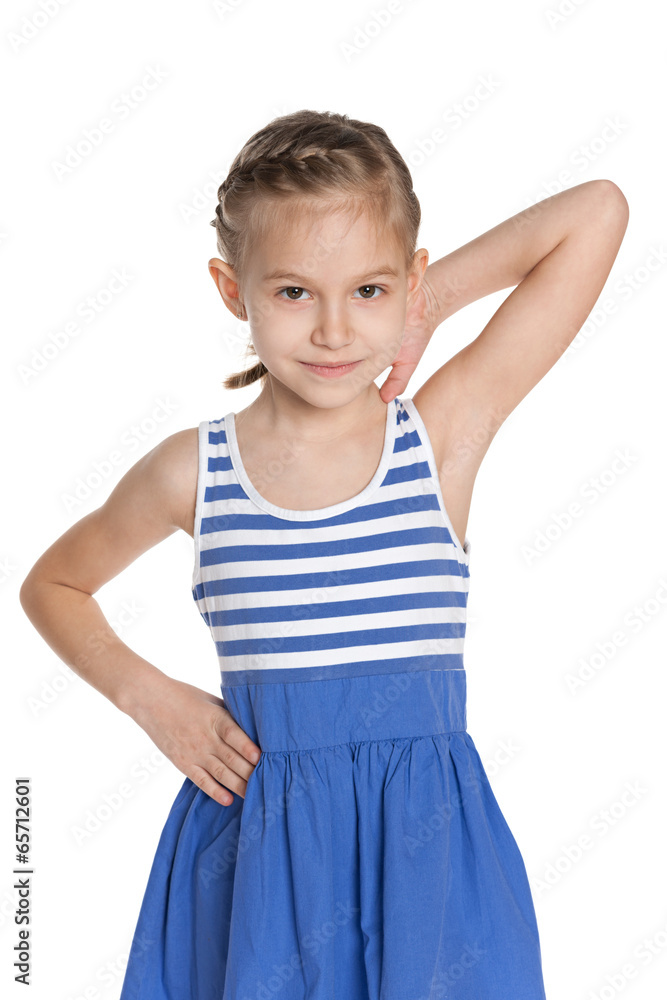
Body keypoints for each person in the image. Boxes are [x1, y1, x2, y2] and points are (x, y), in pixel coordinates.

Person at [19, 109, 629, 1000]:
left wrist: (424, 307)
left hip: (432, 880)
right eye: (295, 292)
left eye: (368, 291)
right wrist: (150, 699)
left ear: (408, 282)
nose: (335, 331)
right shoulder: (196, 472)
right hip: (259, 877)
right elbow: (54, 583)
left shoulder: (437, 441)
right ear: (233, 290)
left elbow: (596, 212)